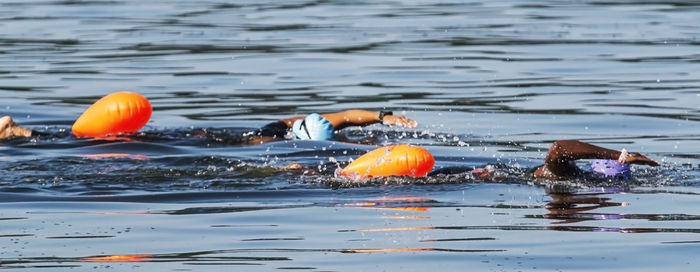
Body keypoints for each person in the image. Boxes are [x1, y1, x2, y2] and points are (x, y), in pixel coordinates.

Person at [0, 109, 417, 142]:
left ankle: (25, 134)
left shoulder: (281, 124)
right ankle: (22, 135)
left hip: (212, 135)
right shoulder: (265, 142)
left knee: (135, 137)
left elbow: (342, 117)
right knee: (132, 142)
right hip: (221, 145)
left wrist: (382, 116)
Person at [429, 140, 659, 180]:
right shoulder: (574, 176)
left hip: (472, 176)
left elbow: (560, 148)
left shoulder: (575, 175)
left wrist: (618, 156)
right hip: (478, 175)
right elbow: (559, 149)